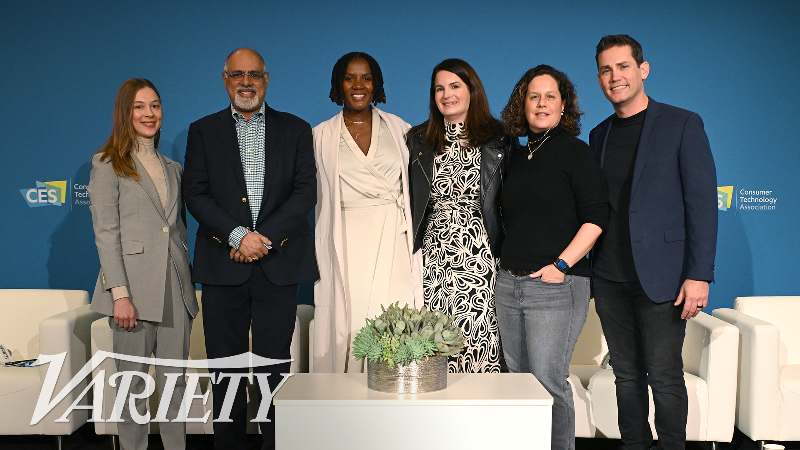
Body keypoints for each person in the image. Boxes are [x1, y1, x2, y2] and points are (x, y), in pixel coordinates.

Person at [182, 48, 317, 450]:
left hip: (279, 266)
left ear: (267, 79)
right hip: (223, 267)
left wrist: (262, 238)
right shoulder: (203, 130)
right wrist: (239, 236)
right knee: (226, 372)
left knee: (274, 370)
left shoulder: (295, 129)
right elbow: (196, 195)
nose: (246, 82)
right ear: (225, 79)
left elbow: (304, 193)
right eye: (238, 74)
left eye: (254, 75)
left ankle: (276, 443)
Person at [589, 35, 717, 450]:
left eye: (623, 66)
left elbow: (701, 205)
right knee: (625, 376)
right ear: (599, 78)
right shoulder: (599, 134)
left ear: (642, 70)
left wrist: (698, 276)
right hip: (610, 277)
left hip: (663, 278)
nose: (615, 77)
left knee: (663, 375)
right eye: (606, 70)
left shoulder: (682, 123)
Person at [496, 65, 608, 450]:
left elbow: (596, 218)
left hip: (557, 285)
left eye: (550, 97)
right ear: (522, 104)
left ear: (564, 107)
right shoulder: (513, 155)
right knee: (518, 382)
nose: (541, 104)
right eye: (533, 96)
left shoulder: (576, 153)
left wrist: (561, 266)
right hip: (509, 285)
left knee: (547, 381)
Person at [89, 78, 198, 450]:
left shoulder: (173, 168)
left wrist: (187, 290)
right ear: (125, 112)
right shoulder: (107, 164)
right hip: (132, 294)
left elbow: (176, 228)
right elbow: (106, 233)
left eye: (155, 105)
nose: (149, 114)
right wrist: (119, 293)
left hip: (175, 292)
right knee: (132, 387)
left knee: (175, 386)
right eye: (139, 106)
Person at [312, 52, 423, 373]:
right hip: (345, 242)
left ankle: (396, 410)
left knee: (394, 321)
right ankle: (347, 413)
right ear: (338, 84)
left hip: (394, 240)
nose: (358, 85)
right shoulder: (320, 136)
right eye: (349, 78)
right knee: (351, 320)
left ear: (377, 85)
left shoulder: (402, 130)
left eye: (366, 78)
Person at [407, 58, 512, 373]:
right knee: (436, 341)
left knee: (483, 341)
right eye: (439, 88)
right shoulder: (417, 140)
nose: (446, 95)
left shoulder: (499, 137)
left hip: (481, 254)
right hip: (433, 255)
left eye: (454, 86)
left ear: (472, 90)